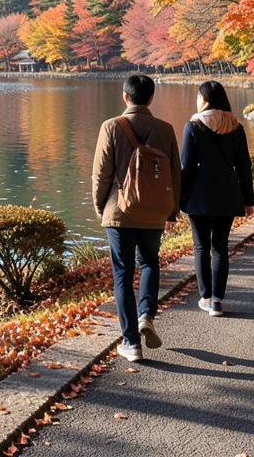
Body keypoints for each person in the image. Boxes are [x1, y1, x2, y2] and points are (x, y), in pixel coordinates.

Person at [92, 74, 182, 362]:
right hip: (154, 211)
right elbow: (175, 176)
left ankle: (131, 343)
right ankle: (146, 314)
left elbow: (101, 174)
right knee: (150, 263)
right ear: (151, 98)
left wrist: (100, 207)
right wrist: (171, 211)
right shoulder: (166, 129)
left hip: (118, 212)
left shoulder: (111, 126)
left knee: (122, 274)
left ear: (125, 97)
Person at [179, 81, 254, 318]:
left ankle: (205, 297)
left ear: (206, 99)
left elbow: (186, 167)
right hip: (228, 194)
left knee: (201, 247)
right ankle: (218, 302)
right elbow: (244, 166)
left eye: (198, 97)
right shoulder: (236, 126)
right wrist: (248, 199)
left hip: (198, 197)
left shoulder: (193, 127)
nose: (197, 100)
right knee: (220, 248)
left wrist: (178, 197)